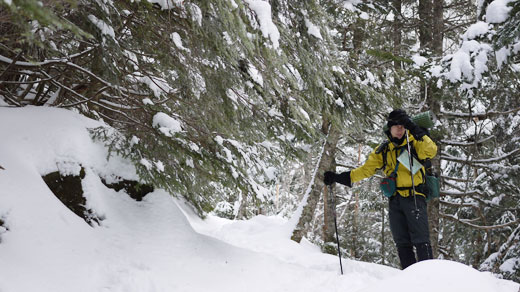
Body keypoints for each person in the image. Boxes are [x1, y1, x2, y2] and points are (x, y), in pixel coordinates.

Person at [323, 109, 438, 269]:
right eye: (396, 126)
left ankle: (429, 280)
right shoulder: (384, 149)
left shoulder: (415, 143)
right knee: (402, 242)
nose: (399, 129)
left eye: (402, 125)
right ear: (389, 128)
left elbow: (431, 150)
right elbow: (365, 170)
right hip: (395, 201)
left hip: (415, 197)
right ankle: (409, 280)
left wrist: (413, 128)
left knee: (421, 240)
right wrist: (338, 177)